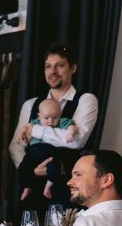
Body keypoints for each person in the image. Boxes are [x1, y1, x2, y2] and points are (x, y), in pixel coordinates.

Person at [10, 43, 99, 214]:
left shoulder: (86, 100)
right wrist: (31, 171)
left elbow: (76, 141)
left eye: (60, 65)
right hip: (33, 188)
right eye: (48, 66)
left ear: (73, 68)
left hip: (68, 189)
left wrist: (34, 131)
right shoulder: (31, 105)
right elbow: (16, 146)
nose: (53, 71)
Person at [17, 98, 79, 202]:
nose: (50, 121)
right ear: (39, 116)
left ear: (60, 115)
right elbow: (25, 127)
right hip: (33, 151)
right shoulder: (35, 122)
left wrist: (70, 133)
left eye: (55, 117)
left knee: (55, 166)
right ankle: (27, 187)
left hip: (51, 151)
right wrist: (20, 134)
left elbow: (72, 126)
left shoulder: (61, 122)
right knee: (23, 168)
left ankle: (48, 186)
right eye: (46, 118)